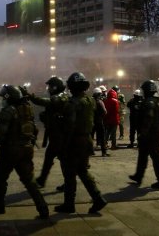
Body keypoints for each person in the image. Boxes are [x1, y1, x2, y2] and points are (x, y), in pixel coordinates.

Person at [0, 85, 49, 219]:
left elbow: (0, 134)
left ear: (9, 98)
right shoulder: (27, 108)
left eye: (3, 98)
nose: (2, 100)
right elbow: (34, 129)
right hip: (26, 149)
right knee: (29, 181)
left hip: (10, 150)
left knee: (0, 178)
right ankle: (43, 208)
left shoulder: (8, 111)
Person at [55, 72, 107, 214]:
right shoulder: (90, 101)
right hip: (86, 140)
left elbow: (69, 126)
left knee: (69, 174)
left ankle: (69, 204)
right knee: (83, 171)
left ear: (72, 87)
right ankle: (98, 198)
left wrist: (63, 146)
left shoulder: (72, 103)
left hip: (74, 142)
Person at [21, 76, 68, 189]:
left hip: (59, 134)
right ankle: (66, 182)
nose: (48, 89)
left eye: (50, 87)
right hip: (57, 133)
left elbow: (44, 102)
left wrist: (30, 96)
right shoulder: (61, 96)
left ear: (55, 87)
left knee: (51, 157)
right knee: (62, 159)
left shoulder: (59, 97)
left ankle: (43, 180)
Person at [129, 80, 159, 189]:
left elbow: (149, 118)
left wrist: (143, 133)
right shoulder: (158, 100)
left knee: (156, 157)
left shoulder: (149, 102)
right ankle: (138, 176)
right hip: (155, 132)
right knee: (142, 155)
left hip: (152, 135)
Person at [92, 87, 109, 156]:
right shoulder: (100, 102)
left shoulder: (90, 101)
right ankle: (103, 152)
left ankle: (90, 151)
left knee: (90, 137)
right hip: (99, 121)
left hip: (92, 122)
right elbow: (105, 112)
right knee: (102, 137)